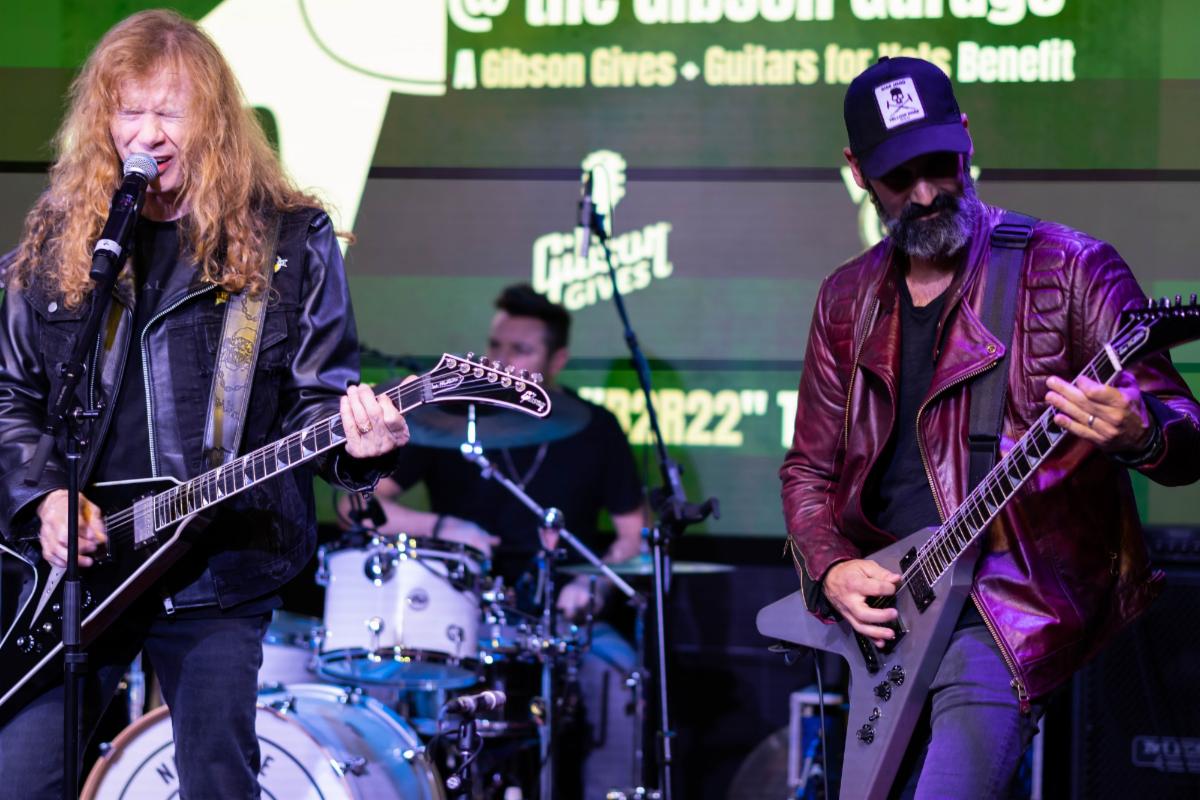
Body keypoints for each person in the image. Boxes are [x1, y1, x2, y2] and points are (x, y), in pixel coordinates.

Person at [0, 10, 408, 798]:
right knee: (21, 778)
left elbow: (319, 401)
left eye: (168, 111)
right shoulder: (61, 241)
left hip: (215, 569)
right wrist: (42, 496)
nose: (145, 134)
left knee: (218, 781)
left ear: (213, 121)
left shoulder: (290, 238)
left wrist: (364, 447)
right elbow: (10, 392)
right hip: (78, 572)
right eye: (129, 111)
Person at [780, 56, 1200, 796]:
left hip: (1005, 605)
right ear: (855, 171)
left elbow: (1184, 433)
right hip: (890, 616)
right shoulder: (845, 298)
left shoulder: (1071, 269)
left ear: (967, 138)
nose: (926, 192)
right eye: (898, 177)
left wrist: (1142, 433)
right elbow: (808, 471)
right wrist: (831, 568)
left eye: (940, 164)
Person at [365, 283, 645, 798]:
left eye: (522, 351)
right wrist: (445, 528)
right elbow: (361, 505)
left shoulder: (595, 429)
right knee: (377, 675)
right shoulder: (449, 421)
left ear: (556, 359)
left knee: (620, 674)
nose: (501, 361)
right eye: (496, 347)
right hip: (454, 608)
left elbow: (633, 536)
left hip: (558, 615)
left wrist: (594, 587)